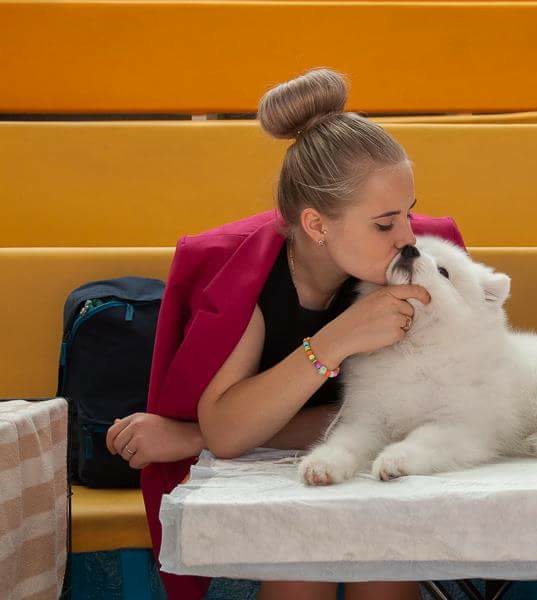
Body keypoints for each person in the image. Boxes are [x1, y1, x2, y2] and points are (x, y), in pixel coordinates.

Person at [105, 67, 465, 600]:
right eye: (385, 224)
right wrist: (339, 338)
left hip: (376, 468)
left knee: (383, 556)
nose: (409, 238)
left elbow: (420, 417)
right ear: (316, 225)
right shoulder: (244, 272)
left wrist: (194, 436)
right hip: (284, 477)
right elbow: (230, 430)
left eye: (409, 214)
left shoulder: (425, 261)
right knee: (300, 562)